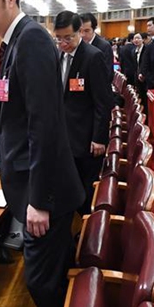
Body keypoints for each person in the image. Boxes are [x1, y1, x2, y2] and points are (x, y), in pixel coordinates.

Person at [0, 0, 82, 307]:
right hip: (33, 185)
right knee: (53, 275)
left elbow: (44, 126)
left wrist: (40, 200)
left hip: (45, 196)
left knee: (41, 282)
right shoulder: (14, 43)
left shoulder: (31, 40)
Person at [54, 11, 112, 215]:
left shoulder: (93, 57)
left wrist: (99, 138)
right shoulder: (58, 54)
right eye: (58, 38)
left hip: (86, 137)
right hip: (64, 136)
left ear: (79, 32)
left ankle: (85, 227)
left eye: (68, 38)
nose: (63, 43)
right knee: (68, 187)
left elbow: (103, 101)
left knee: (85, 190)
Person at [79, 12, 114, 80]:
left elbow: (108, 74)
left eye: (86, 31)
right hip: (79, 85)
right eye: (80, 31)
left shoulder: (104, 46)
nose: (82, 34)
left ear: (94, 29)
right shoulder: (77, 44)